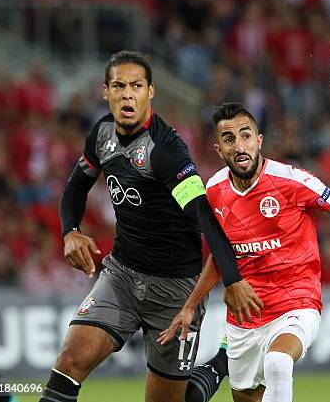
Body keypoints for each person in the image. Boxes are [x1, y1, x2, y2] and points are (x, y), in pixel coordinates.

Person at [159, 102, 330, 402]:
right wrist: (191, 304)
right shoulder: (214, 191)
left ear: (259, 140)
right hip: (245, 315)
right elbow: (221, 254)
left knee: (278, 363)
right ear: (219, 149)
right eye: (229, 139)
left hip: (296, 302)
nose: (239, 145)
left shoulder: (292, 181)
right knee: (246, 395)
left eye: (245, 135)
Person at [39, 53, 263, 402]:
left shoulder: (166, 151)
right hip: (121, 277)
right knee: (69, 361)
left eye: (136, 86)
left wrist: (232, 279)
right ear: (106, 92)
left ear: (151, 92)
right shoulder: (101, 135)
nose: (128, 94)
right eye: (119, 86)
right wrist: (70, 230)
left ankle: (221, 362)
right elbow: (75, 186)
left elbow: (204, 216)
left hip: (175, 291)